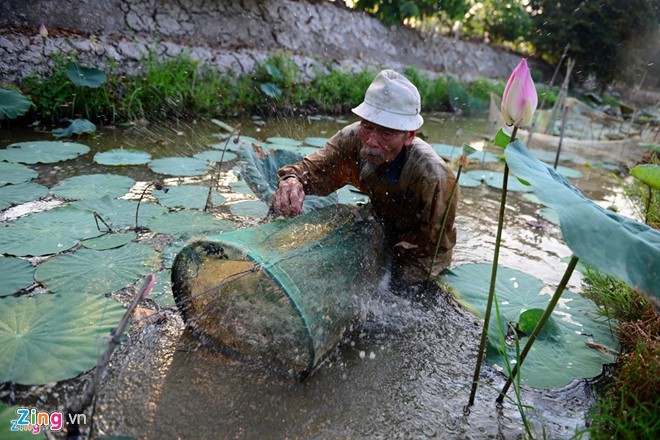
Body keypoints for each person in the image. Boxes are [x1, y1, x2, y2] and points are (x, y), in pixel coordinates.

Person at [272, 69, 458, 293]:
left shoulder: (434, 177)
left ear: (409, 135)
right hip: (378, 219)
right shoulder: (352, 138)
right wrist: (292, 181)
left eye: (386, 134)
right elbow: (313, 170)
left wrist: (394, 282)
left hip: (417, 243)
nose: (371, 141)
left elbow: (435, 247)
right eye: (367, 127)